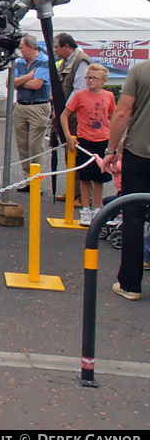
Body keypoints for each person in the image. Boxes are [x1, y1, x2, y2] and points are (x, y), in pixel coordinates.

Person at [103, 59, 150, 301]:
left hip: (140, 153)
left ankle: (130, 285)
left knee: (133, 216)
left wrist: (111, 149)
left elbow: (123, 112)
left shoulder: (141, 70)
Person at [61, 64, 115, 226]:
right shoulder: (79, 95)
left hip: (103, 140)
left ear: (103, 81)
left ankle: (97, 210)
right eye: (88, 77)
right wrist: (68, 136)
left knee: (99, 178)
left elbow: (113, 116)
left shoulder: (109, 96)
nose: (91, 81)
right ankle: (85, 209)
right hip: (85, 141)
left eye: (95, 78)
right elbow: (64, 115)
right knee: (85, 177)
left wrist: (115, 141)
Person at [13, 34, 52, 192]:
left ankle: (37, 182)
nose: (20, 50)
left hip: (38, 106)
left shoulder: (45, 61)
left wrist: (22, 81)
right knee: (23, 145)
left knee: (35, 146)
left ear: (31, 47)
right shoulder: (20, 63)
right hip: (21, 105)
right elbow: (11, 83)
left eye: (22, 47)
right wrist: (28, 77)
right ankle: (28, 180)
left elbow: (37, 85)